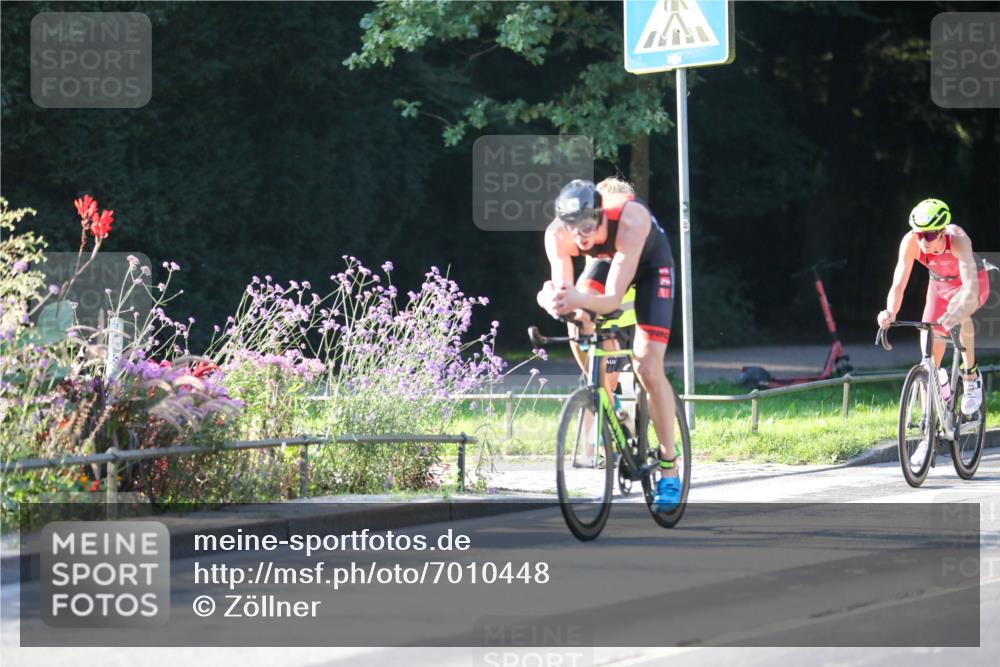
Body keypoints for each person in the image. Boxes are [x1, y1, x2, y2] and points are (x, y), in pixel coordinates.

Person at [536, 177, 680, 511]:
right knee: (579, 316)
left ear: (601, 215)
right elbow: (565, 296)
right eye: (574, 228)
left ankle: (670, 468)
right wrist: (551, 300)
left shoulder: (631, 219)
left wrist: (575, 298)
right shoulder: (557, 235)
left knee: (646, 365)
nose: (581, 235)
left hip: (649, 266)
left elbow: (614, 297)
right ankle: (604, 398)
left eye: (588, 225)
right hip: (608, 268)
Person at [878, 198, 995, 463]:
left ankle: (970, 375)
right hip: (939, 287)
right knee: (927, 359)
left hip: (972, 283)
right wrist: (890, 312)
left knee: (959, 310)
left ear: (943, 231)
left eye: (929, 235)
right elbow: (899, 283)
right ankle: (927, 436)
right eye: (919, 234)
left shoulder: (959, 239)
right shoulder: (910, 242)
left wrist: (956, 312)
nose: (923, 241)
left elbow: (970, 289)